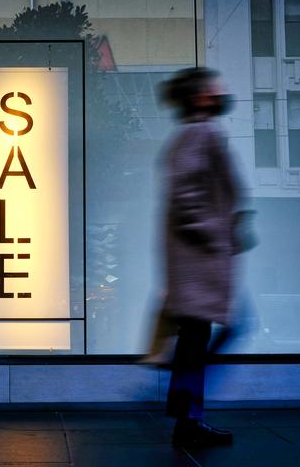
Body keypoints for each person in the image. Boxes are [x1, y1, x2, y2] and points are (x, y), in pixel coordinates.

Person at [159, 67, 243, 448]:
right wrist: (216, 234)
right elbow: (186, 198)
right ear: (199, 97)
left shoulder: (196, 133)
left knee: (197, 339)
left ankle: (186, 414)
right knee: (210, 335)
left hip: (197, 263)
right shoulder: (199, 134)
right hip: (200, 262)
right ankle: (185, 411)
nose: (220, 89)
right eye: (213, 86)